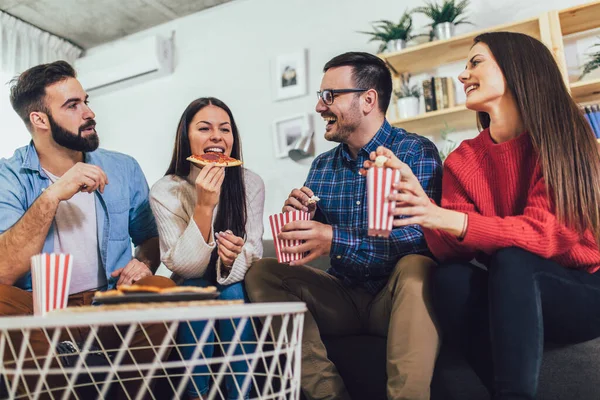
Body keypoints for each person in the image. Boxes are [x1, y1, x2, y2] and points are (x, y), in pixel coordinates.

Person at [365, 32, 600, 400]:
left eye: (475, 62)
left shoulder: (564, 135)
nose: (463, 75)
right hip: (511, 295)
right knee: (450, 278)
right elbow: (451, 252)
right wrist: (421, 205)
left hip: (583, 290)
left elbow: (546, 234)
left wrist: (444, 217)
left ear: (517, 68)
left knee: (515, 258)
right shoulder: (463, 159)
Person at [246, 52, 443, 400]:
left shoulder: (414, 151)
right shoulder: (322, 166)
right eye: (320, 97)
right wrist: (301, 221)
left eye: (329, 96)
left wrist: (335, 240)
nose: (320, 107)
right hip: (342, 296)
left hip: (393, 298)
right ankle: (328, 395)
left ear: (368, 99)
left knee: (418, 266)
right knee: (262, 271)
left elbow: (421, 239)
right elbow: (312, 245)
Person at [0, 60, 169, 398]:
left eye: (86, 101)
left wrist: (144, 263)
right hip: (38, 309)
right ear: (39, 119)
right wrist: (52, 196)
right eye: (73, 105)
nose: (89, 112)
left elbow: (150, 237)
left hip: (108, 302)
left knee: (160, 288)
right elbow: (4, 272)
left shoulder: (123, 168)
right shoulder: (8, 177)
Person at [150, 97, 264, 400]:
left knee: (232, 292)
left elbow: (253, 250)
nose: (217, 136)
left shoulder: (251, 184)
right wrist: (203, 205)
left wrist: (230, 262)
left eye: (225, 130)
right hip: (190, 286)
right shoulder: (166, 190)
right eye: (204, 128)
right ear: (186, 137)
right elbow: (184, 267)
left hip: (236, 285)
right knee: (197, 288)